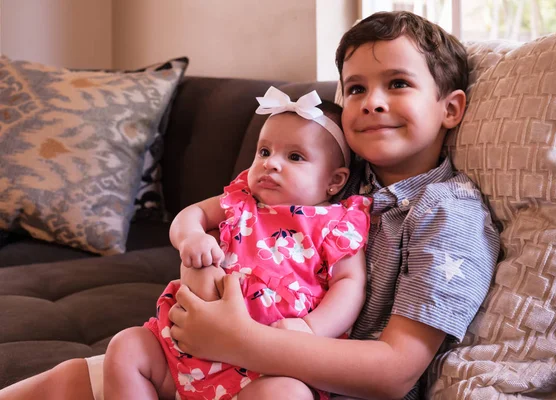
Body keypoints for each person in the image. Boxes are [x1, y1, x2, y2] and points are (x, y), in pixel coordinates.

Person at [0, 11, 500, 400]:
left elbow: (394, 374)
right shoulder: (341, 181)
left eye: (398, 83)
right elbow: (224, 217)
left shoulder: (446, 212)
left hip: (298, 378)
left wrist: (239, 342)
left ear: (450, 108)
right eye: (355, 88)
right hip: (207, 357)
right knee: (88, 369)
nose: (371, 101)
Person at [103, 86, 371, 400]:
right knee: (127, 346)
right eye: (265, 151)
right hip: (183, 350)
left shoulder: (336, 223)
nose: (271, 164)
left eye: (295, 156)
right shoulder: (241, 200)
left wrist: (312, 329)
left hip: (266, 367)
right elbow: (192, 214)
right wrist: (192, 236)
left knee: (289, 395)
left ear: (334, 181)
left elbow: (350, 283)